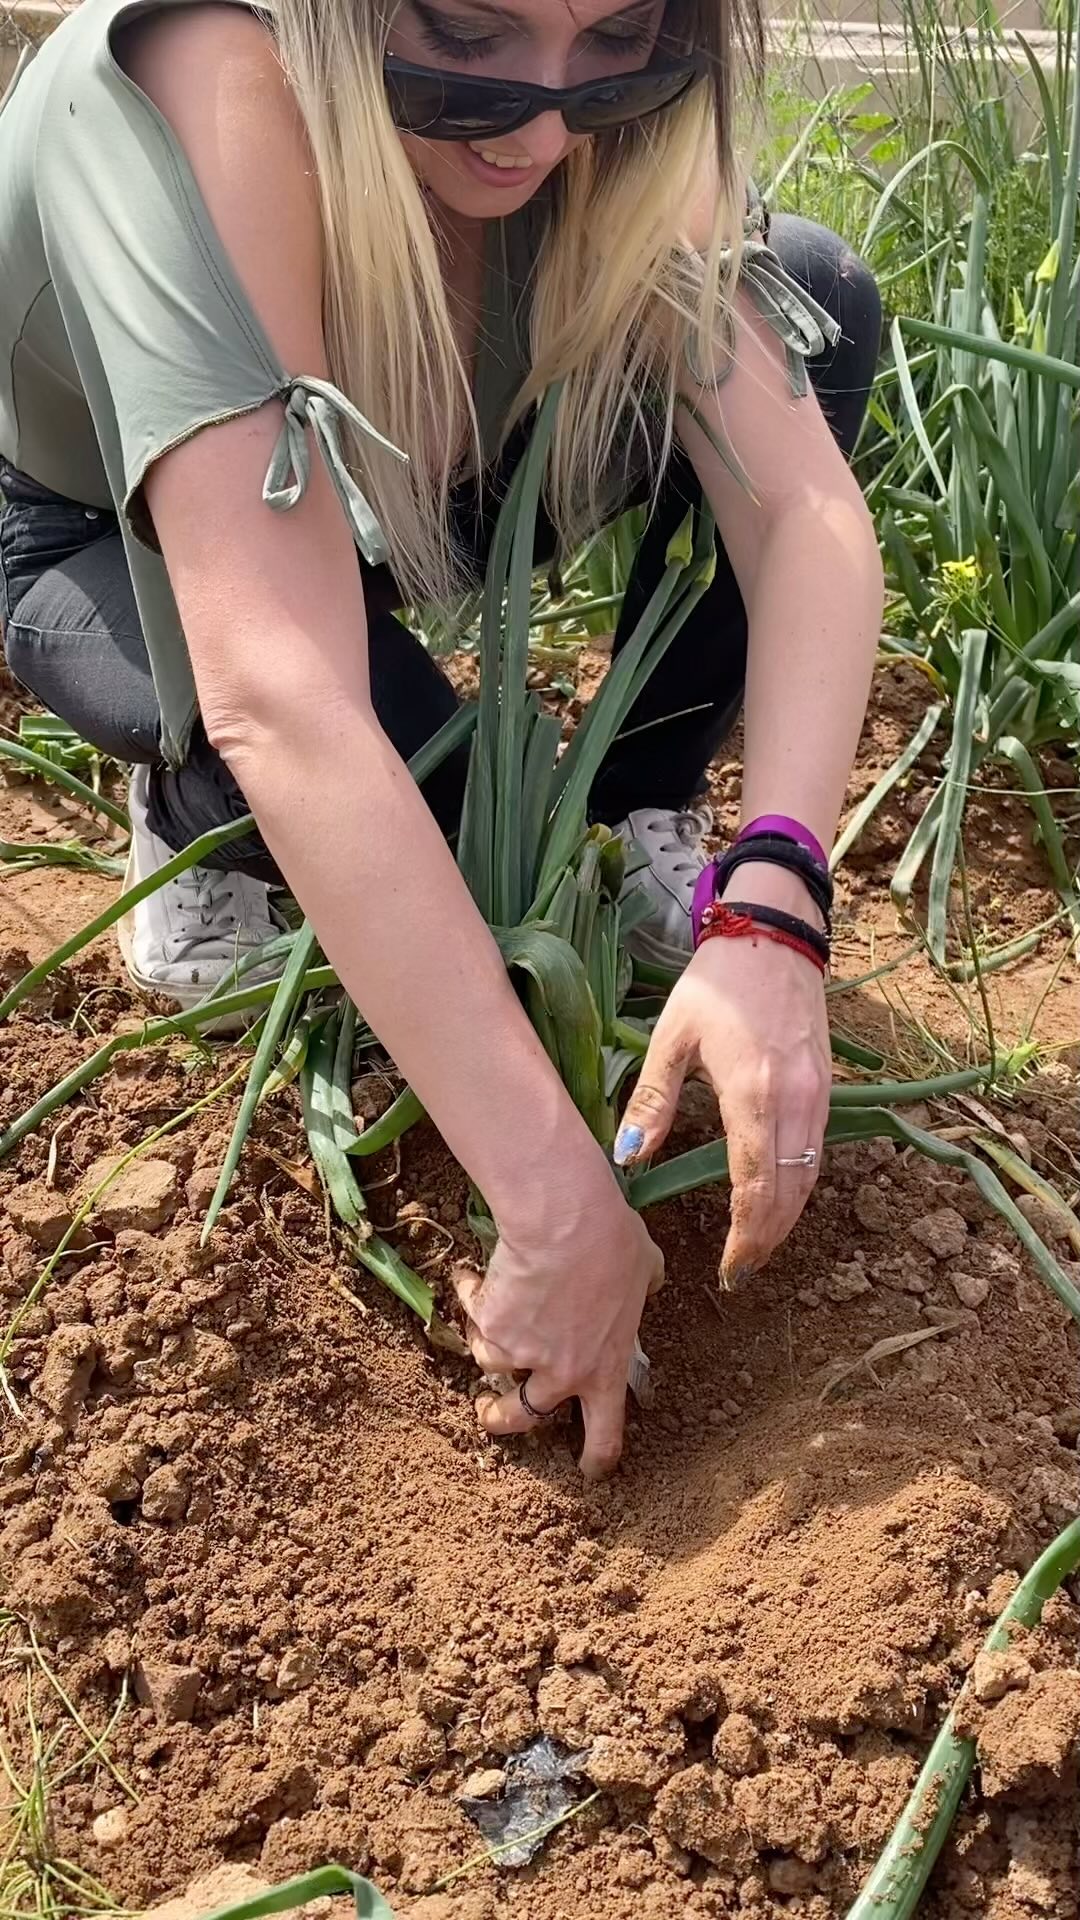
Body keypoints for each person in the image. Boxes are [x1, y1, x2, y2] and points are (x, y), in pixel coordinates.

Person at [0, 0, 883, 1475]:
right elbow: (282, 685)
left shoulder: (617, 115)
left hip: (400, 457)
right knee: (419, 795)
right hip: (121, 526)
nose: (544, 127)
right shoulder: (207, 74)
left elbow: (797, 509)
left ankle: (641, 813)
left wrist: (777, 900)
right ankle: (184, 797)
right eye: (467, 42)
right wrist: (552, 1203)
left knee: (815, 292)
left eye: (614, 43)